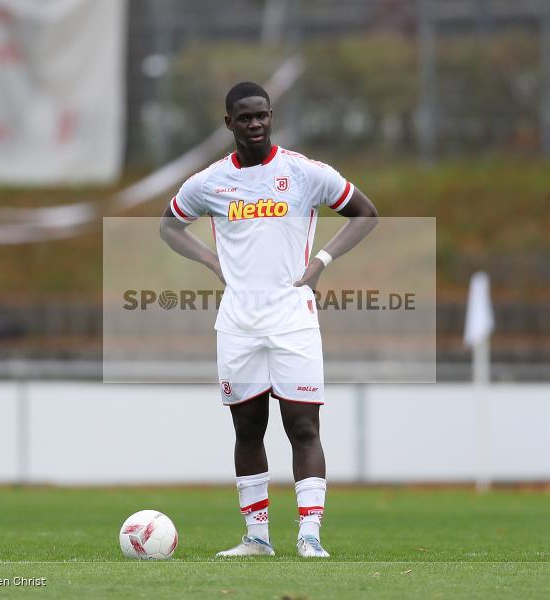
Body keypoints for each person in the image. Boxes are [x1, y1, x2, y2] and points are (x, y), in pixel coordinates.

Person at [159, 82, 378, 558]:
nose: (255, 124)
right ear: (229, 123)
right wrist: (211, 261)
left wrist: (320, 261)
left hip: (293, 322)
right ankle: (257, 537)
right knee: (247, 431)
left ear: (271, 116)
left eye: (262, 115)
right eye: (245, 117)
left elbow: (365, 213)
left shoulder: (304, 173)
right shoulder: (209, 182)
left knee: (303, 428)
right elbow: (169, 226)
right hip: (237, 325)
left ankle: (310, 536)